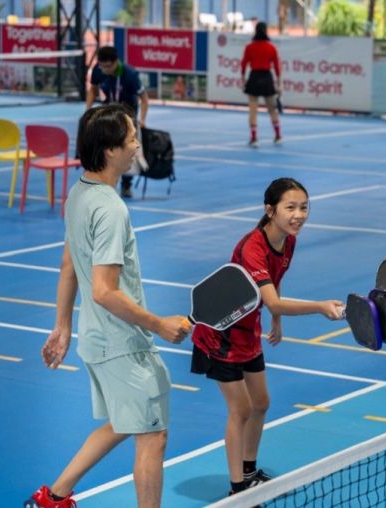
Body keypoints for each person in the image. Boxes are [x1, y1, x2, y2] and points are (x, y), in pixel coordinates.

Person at [24, 105, 191, 508]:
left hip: (97, 337)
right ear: (111, 150)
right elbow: (103, 290)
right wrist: (158, 324)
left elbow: (69, 264)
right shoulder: (111, 209)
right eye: (132, 138)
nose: (137, 145)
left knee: (126, 420)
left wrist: (62, 325)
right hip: (122, 343)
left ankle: (53, 498)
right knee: (153, 435)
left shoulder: (79, 193)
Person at [190, 178, 344, 497]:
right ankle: (238, 491)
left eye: (304, 207)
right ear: (270, 210)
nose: (298, 214)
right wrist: (317, 307)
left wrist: (275, 320)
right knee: (241, 409)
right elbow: (272, 299)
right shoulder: (253, 248)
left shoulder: (288, 239)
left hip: (249, 332)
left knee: (261, 403)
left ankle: (249, 471)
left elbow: (274, 284)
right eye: (290, 207)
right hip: (222, 334)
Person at [86, 46, 150, 199]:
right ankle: (103, 182)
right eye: (102, 66)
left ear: (116, 63)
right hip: (108, 115)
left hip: (128, 117)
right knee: (104, 150)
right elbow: (93, 89)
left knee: (127, 152)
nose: (104, 69)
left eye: (108, 66)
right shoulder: (98, 70)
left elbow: (145, 99)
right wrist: (87, 111)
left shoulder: (130, 74)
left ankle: (126, 184)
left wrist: (142, 120)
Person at [241, 22, 282, 147]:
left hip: (254, 77)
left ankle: (254, 138)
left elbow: (243, 64)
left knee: (253, 109)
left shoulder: (249, 47)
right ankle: (278, 135)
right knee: (272, 109)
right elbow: (276, 66)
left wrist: (243, 79)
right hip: (266, 78)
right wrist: (279, 84)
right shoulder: (271, 48)